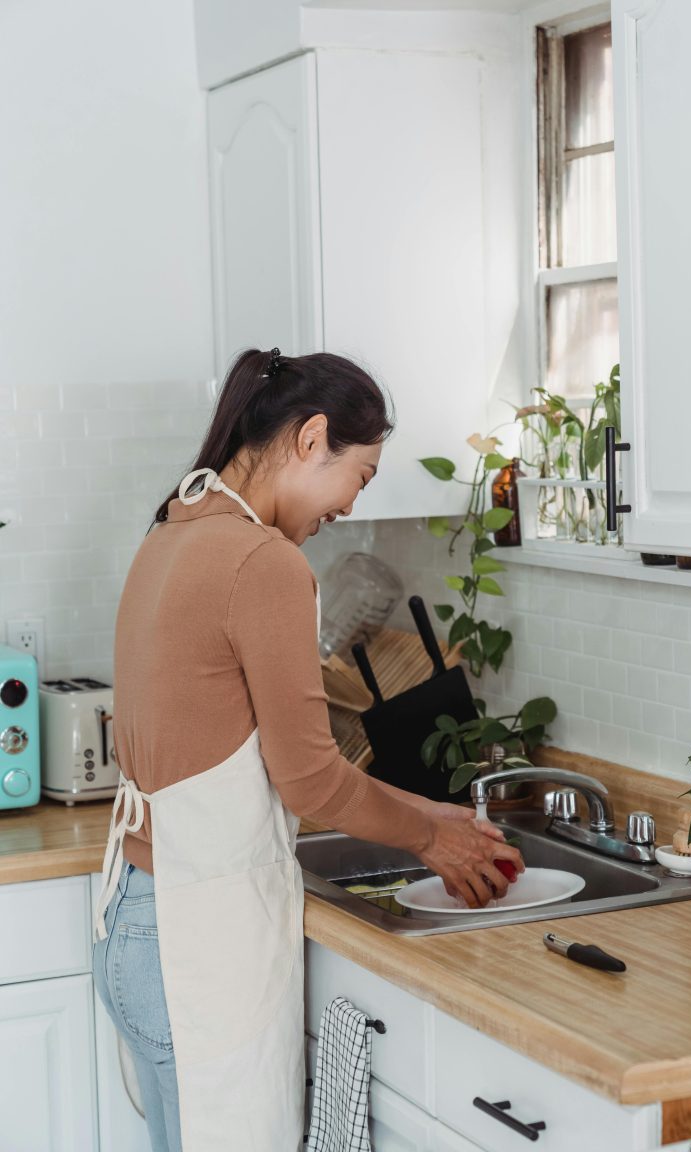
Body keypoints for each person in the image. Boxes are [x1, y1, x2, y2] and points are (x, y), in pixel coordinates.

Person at [92, 347, 524, 1152]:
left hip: (137, 922)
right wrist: (434, 832)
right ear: (310, 436)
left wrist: (424, 813)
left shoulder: (176, 529)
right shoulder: (263, 562)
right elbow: (312, 782)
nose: (349, 506)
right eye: (359, 476)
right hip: (198, 943)